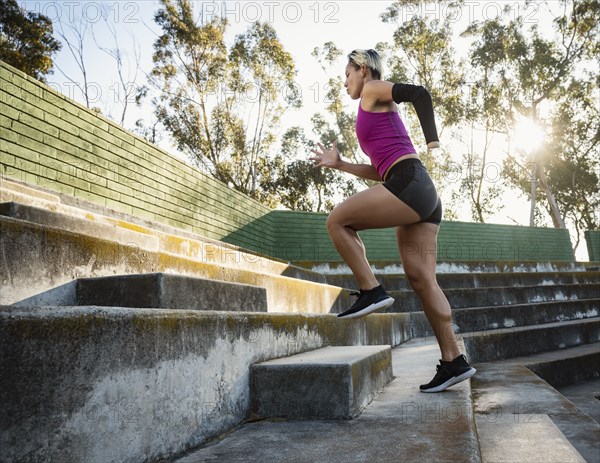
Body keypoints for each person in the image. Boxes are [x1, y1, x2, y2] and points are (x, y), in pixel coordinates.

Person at [309, 49, 476, 393]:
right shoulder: (372, 108)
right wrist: (340, 164)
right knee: (422, 280)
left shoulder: (372, 90)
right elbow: (380, 169)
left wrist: (432, 140)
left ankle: (371, 290)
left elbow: (420, 94)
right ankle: (453, 361)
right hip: (420, 192)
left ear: (363, 69)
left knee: (337, 221)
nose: (345, 83)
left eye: (347, 75)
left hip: (410, 182)